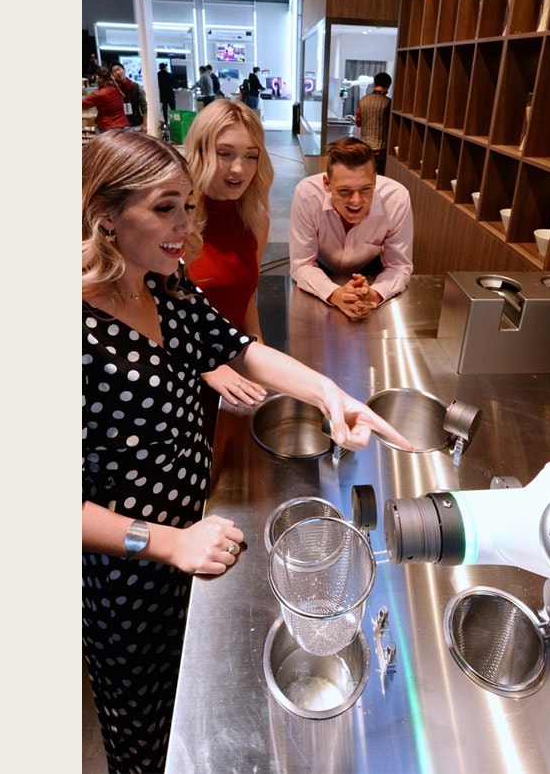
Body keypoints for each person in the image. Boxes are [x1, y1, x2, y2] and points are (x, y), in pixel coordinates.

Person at [82, 130, 414, 773]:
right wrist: (164, 542)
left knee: (195, 697)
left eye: (187, 206)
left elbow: (237, 347)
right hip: (132, 568)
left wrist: (330, 395)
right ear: (106, 218)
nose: (184, 227)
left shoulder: (165, 285)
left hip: (193, 531)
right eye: (164, 208)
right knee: (148, 733)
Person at [182, 99, 273, 422]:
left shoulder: (254, 219)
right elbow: (149, 311)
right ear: (201, 151)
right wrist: (207, 365)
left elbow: (244, 293)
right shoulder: (176, 218)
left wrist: (257, 346)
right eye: (225, 154)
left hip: (233, 366)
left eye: (251, 156)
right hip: (177, 373)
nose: (239, 169)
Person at [288, 136, 414, 320]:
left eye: (365, 189)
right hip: (320, 267)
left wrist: (376, 294)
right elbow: (302, 263)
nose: (356, 201)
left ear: (375, 181)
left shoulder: (396, 199)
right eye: (344, 191)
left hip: (370, 269)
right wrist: (335, 294)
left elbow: (399, 265)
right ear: (327, 184)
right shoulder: (307, 195)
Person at [355, 71, 393, 174]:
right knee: (379, 177)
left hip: (365, 146)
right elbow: (392, 126)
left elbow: (358, 122)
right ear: (388, 86)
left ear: (375, 84)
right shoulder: (388, 103)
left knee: (364, 174)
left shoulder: (363, 100)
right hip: (381, 149)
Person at [82, 68, 129, 132]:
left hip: (108, 126)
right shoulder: (115, 89)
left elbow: (83, 104)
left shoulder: (99, 94)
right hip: (121, 125)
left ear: (97, 78)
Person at [110, 62, 146, 130]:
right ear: (112, 75)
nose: (117, 72)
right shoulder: (112, 90)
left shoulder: (136, 87)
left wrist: (145, 124)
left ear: (124, 70)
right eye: (114, 71)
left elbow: (144, 106)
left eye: (119, 69)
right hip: (119, 126)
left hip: (136, 124)